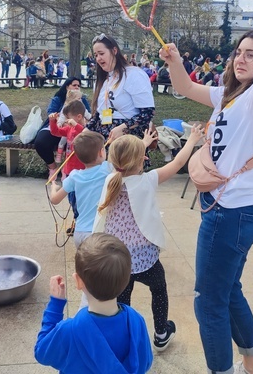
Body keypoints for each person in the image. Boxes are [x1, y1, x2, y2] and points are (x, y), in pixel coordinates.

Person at [158, 0, 253, 374]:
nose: (244, 57)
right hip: (230, 207)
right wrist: (175, 62)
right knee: (229, 291)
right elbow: (185, 88)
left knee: (207, 301)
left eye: (252, 54)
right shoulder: (229, 95)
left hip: (232, 211)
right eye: (240, 52)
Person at [94, 127, 202, 352]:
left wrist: (141, 144)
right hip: (145, 258)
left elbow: (125, 159)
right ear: (142, 160)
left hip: (118, 259)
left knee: (122, 301)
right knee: (159, 289)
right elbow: (177, 162)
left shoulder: (110, 180)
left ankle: (122, 338)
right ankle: (161, 333)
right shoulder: (148, 180)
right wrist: (191, 140)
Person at [34, 233, 153, 373]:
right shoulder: (136, 321)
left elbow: (42, 352)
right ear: (126, 280)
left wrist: (55, 304)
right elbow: (146, 362)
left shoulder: (69, 330)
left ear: (78, 281)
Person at [88, 34, 155, 143]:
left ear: (114, 51)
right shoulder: (103, 79)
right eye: (95, 55)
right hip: (103, 140)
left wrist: (123, 127)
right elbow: (99, 112)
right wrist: (86, 130)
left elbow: (147, 113)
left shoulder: (134, 74)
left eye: (101, 53)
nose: (98, 58)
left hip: (127, 143)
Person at [49, 131, 110, 247]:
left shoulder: (74, 176)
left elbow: (54, 200)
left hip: (80, 232)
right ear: (101, 152)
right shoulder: (107, 169)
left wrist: (54, 187)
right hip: (99, 233)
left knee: (85, 264)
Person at [34, 77, 90, 176]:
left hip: (75, 128)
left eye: (78, 86)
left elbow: (88, 115)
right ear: (67, 86)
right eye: (74, 85)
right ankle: (53, 167)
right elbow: (52, 113)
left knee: (79, 142)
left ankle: (74, 170)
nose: (77, 87)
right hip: (58, 126)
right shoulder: (58, 99)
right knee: (40, 142)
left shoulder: (82, 100)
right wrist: (60, 119)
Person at [48, 101, 87, 178]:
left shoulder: (86, 129)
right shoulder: (70, 128)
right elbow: (55, 132)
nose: (66, 120)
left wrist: (76, 125)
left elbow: (85, 134)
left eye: (68, 118)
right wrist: (52, 121)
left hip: (81, 169)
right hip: (69, 167)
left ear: (79, 117)